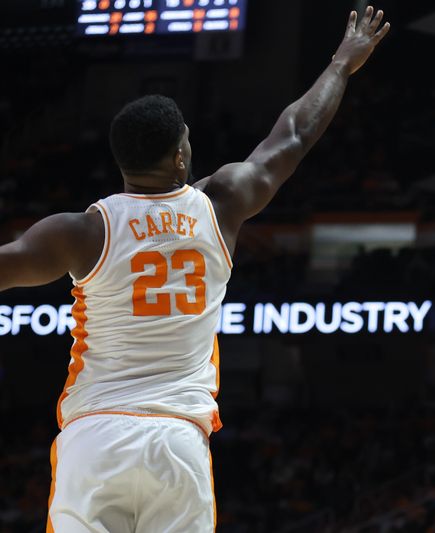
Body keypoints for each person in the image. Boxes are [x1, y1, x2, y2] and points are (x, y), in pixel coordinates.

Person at [0, 7, 389, 532]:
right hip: (177, 438)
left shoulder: (82, 232)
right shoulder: (221, 202)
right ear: (181, 155)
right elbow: (294, 135)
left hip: (94, 436)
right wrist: (343, 62)